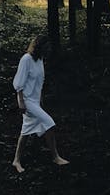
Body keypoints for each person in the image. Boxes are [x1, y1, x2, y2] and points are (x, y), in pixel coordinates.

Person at [12, 34, 68, 172]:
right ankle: (55, 157)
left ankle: (16, 160)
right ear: (39, 46)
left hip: (35, 101)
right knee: (49, 123)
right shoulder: (26, 59)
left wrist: (40, 101)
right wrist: (21, 102)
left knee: (25, 131)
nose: (48, 50)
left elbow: (40, 82)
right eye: (46, 47)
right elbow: (19, 82)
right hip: (26, 100)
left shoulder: (40, 60)